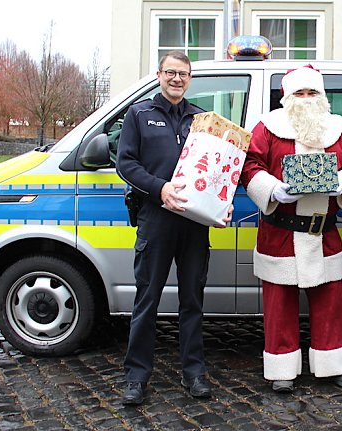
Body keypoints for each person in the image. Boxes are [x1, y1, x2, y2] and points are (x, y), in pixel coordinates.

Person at [241, 65, 342, 393]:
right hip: (279, 232)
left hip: (323, 232)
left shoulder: (339, 128)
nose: (307, 99)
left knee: (329, 302)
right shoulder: (268, 127)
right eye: (300, 93)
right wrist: (272, 189)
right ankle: (282, 368)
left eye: (313, 92)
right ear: (288, 97)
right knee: (279, 303)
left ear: (322, 96)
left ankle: (333, 365)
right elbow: (250, 164)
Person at [116, 51, 233, 405]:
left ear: (190, 78)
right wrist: (160, 188)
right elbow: (126, 164)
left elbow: (220, 169)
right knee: (147, 299)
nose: (177, 79)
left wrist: (219, 204)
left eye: (183, 74)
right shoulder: (139, 114)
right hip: (156, 217)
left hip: (195, 223)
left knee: (192, 300)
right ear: (159, 75)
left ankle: (194, 372)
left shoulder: (203, 120)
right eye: (171, 72)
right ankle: (136, 376)